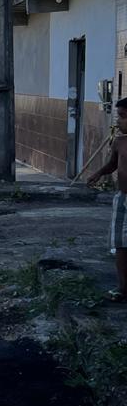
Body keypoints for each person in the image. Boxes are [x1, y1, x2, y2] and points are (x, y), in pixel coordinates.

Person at [86, 98, 127, 302]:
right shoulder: (120, 141)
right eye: (118, 116)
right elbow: (112, 164)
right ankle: (122, 287)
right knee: (119, 243)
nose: (119, 121)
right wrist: (98, 174)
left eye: (123, 116)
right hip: (122, 197)